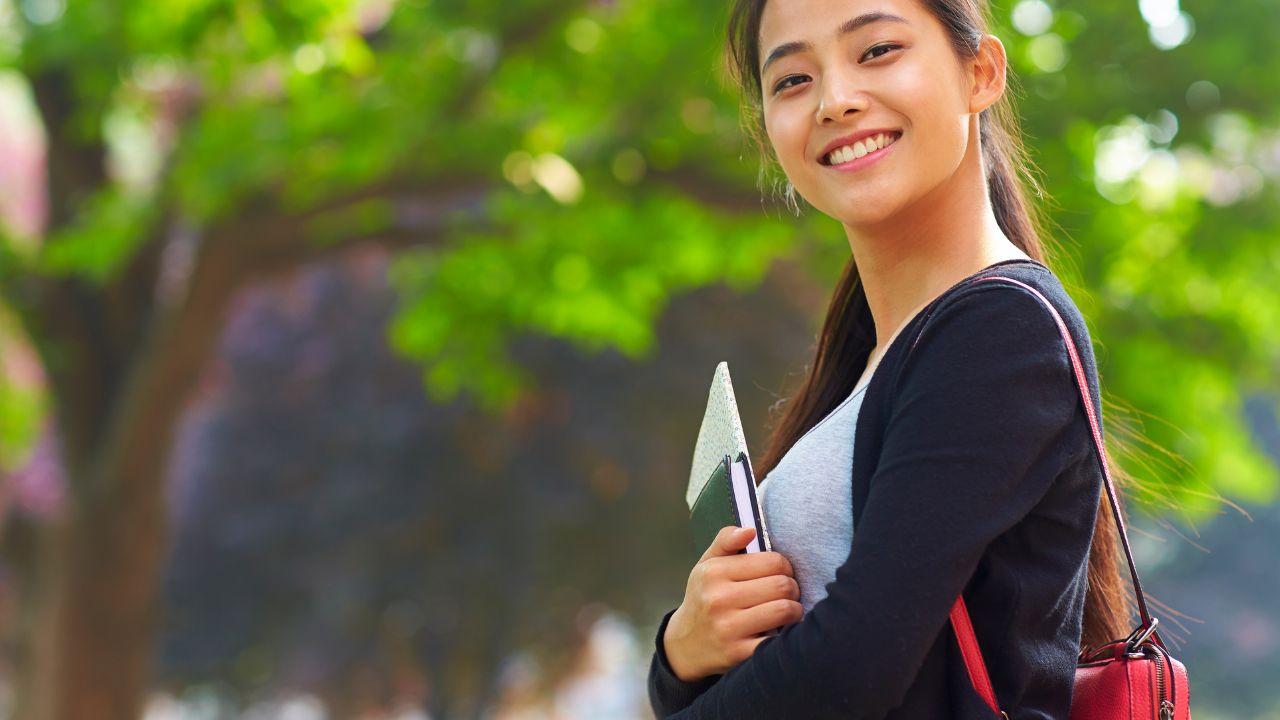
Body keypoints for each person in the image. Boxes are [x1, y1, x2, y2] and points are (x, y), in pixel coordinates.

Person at [647, 0, 1140, 717]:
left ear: (982, 72)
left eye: (876, 51)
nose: (836, 100)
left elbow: (852, 669)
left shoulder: (999, 335)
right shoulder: (872, 353)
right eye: (791, 80)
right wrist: (681, 650)